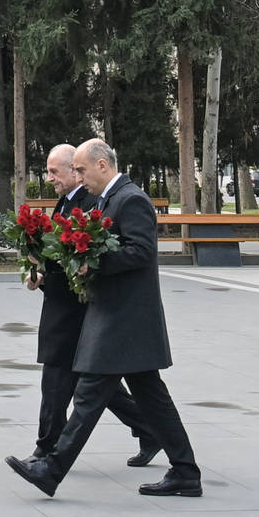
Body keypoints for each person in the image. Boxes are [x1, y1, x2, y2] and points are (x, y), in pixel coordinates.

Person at [6, 138, 202, 499]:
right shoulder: (110, 199)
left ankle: (51, 469)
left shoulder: (132, 199)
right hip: (118, 317)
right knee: (151, 398)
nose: (78, 176)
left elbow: (142, 252)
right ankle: (186, 472)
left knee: (88, 398)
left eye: (80, 169)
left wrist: (92, 261)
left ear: (101, 165)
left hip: (124, 319)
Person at [26, 144, 158, 466]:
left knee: (61, 383)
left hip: (76, 311)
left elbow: (107, 252)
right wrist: (39, 270)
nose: (50, 178)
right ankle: (151, 430)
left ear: (76, 169)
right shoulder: (68, 200)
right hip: (63, 304)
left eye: (55, 171)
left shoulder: (92, 203)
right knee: (100, 386)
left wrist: (84, 268)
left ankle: (47, 453)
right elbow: (61, 252)